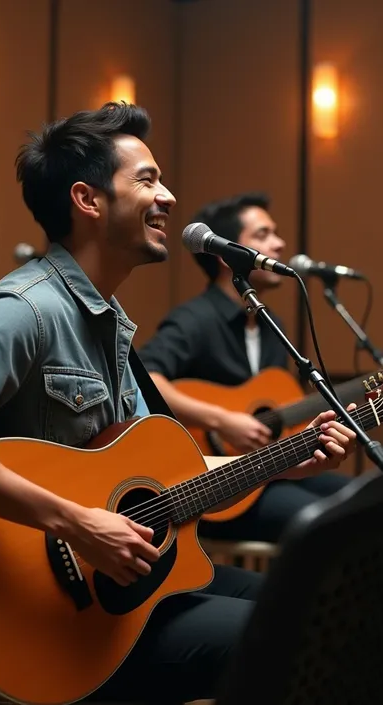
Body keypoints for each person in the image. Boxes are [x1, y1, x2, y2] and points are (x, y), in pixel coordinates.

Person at [0, 105, 355, 704]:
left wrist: (282, 460)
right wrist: (76, 522)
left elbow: (164, 482)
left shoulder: (110, 327)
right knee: (296, 639)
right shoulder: (28, 307)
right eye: (146, 179)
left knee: (325, 613)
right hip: (48, 620)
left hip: (128, 600)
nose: (168, 196)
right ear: (88, 201)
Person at [140, 192, 351, 544]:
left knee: (362, 501)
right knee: (326, 527)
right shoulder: (194, 320)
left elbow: (275, 411)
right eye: (263, 235)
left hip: (269, 470)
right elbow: (146, 377)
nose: (280, 244)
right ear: (227, 255)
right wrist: (221, 421)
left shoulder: (271, 325)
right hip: (216, 490)